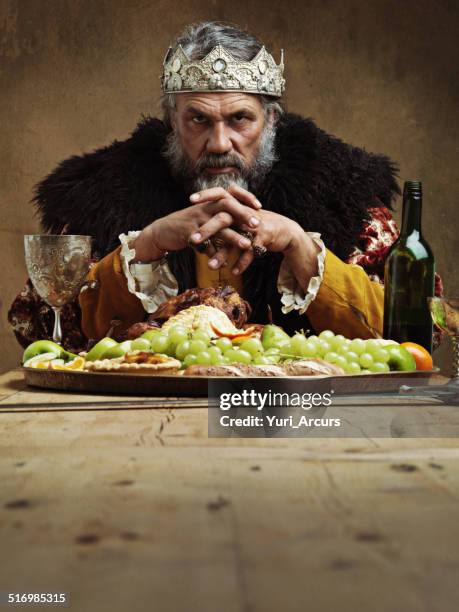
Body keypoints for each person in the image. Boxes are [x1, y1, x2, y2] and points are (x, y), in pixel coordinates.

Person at [8, 21, 441, 351]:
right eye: (198, 120)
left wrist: (299, 246)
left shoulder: (343, 192)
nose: (219, 144)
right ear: (172, 123)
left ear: (271, 121)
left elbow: (420, 333)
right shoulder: (98, 194)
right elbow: (37, 330)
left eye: (239, 119)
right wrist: (146, 245)